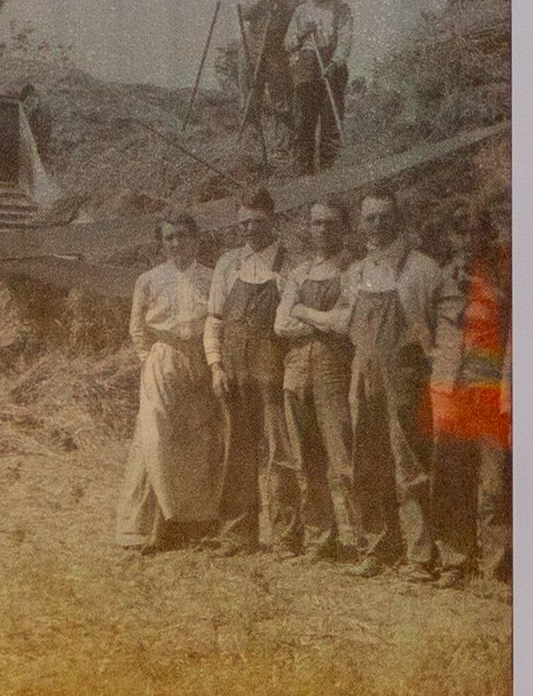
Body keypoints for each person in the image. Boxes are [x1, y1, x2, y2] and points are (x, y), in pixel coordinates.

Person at [342, 191, 453, 575]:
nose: (377, 225)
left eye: (384, 217)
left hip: (405, 375)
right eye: (370, 218)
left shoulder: (421, 268)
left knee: (409, 461)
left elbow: (445, 324)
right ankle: (378, 548)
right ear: (361, 223)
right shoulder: (355, 273)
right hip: (364, 373)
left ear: (397, 219)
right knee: (367, 459)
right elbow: (347, 323)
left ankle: (421, 555)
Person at [115, 215, 224, 552]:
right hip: (162, 359)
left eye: (183, 236)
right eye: (170, 238)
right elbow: (137, 327)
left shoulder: (211, 277)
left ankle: (191, 525)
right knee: (155, 437)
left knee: (196, 438)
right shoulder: (149, 280)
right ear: (162, 243)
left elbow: (216, 321)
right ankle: (142, 529)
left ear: (196, 238)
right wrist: (149, 359)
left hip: (199, 359)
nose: (177, 243)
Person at [425, 197, 510, 584]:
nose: (466, 242)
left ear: (487, 237)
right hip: (449, 387)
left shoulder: (505, 276)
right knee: (451, 476)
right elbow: (419, 321)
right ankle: (455, 560)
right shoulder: (438, 276)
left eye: (474, 234)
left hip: (490, 387)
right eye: (459, 235)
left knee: (494, 481)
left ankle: (497, 567)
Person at [204, 189, 289, 555]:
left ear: (272, 220)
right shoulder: (228, 263)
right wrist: (216, 366)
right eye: (244, 223)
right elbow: (214, 319)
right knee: (237, 450)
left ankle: (286, 537)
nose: (250, 229)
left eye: (257, 222)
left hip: (272, 367)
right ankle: (238, 535)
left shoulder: (287, 262)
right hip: (234, 368)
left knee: (279, 451)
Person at [272, 199, 357, 559]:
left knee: (343, 457)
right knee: (306, 460)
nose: (322, 230)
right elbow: (281, 324)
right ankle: (320, 539)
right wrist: (321, 321)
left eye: (330, 223)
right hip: (296, 369)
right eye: (316, 223)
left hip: (333, 369)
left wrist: (302, 311)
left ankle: (365, 543)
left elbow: (343, 323)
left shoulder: (352, 269)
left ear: (344, 228)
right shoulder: (299, 272)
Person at [290, 0, 354, 175]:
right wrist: (301, 35)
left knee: (330, 120)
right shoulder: (301, 11)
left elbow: (345, 40)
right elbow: (289, 45)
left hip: (332, 66)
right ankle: (304, 173)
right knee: (304, 121)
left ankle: (329, 171)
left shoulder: (341, 9)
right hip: (307, 67)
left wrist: (335, 63)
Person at [240, 0, 301, 156]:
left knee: (280, 98)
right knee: (249, 96)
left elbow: (296, 27)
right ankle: (252, 147)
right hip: (252, 46)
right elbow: (245, 13)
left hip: (276, 50)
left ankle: (282, 147)